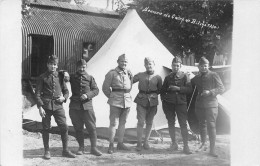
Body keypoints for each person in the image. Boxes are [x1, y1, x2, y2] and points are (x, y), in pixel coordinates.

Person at [35, 55, 76, 159]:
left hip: (58, 106)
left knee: (64, 127)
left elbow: (66, 91)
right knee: (46, 128)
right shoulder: (42, 77)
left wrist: (64, 98)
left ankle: (65, 150)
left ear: (57, 66)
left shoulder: (60, 76)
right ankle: (47, 151)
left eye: (55, 65)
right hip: (46, 106)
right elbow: (38, 94)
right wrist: (40, 107)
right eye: (51, 64)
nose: (53, 66)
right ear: (47, 65)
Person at [191, 56, 225, 157]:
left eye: (205, 66)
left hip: (211, 105)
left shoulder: (214, 75)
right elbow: (190, 84)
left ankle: (212, 149)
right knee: (202, 124)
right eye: (201, 66)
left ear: (208, 66)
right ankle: (203, 144)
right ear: (199, 67)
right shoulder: (196, 78)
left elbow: (222, 88)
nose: (203, 68)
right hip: (200, 105)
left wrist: (210, 92)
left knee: (211, 126)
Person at [69, 59, 102, 156]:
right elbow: (62, 77)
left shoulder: (90, 78)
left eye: (84, 67)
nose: (82, 69)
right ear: (77, 67)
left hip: (87, 107)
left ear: (86, 67)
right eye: (80, 67)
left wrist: (87, 95)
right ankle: (81, 148)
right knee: (78, 128)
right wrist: (64, 73)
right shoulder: (72, 77)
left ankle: (93, 148)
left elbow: (96, 90)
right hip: (75, 107)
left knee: (92, 127)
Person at [160, 57, 192, 154]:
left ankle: (186, 146)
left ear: (180, 66)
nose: (176, 67)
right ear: (171, 66)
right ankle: (174, 143)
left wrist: (177, 88)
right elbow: (162, 91)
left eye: (178, 65)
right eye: (174, 65)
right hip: (169, 104)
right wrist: (164, 101)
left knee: (183, 124)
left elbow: (189, 90)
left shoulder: (185, 76)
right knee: (171, 123)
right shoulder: (168, 77)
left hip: (181, 104)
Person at [102, 54, 133, 154]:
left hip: (127, 101)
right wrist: (112, 97)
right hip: (115, 101)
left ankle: (120, 143)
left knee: (123, 123)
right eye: (122, 61)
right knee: (113, 123)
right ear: (118, 61)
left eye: (125, 62)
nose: (124, 63)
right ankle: (111, 145)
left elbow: (130, 86)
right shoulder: (112, 73)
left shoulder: (128, 73)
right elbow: (105, 88)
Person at [133, 57, 162, 151]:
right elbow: (129, 81)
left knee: (149, 122)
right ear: (144, 65)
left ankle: (146, 142)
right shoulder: (140, 75)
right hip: (141, 100)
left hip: (152, 102)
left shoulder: (158, 77)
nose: (148, 66)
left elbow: (160, 89)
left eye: (150, 64)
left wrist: (153, 95)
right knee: (141, 122)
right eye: (147, 64)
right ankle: (138, 143)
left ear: (154, 65)